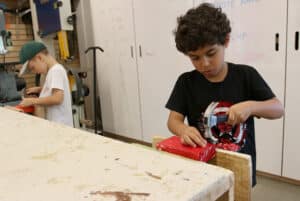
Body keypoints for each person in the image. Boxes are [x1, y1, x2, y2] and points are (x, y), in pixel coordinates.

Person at [166, 3, 284, 186]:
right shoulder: (186, 82)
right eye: (194, 58)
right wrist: (183, 130)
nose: (204, 64)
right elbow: (173, 120)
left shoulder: (246, 75)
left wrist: (252, 106)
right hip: (202, 166)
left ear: (226, 41)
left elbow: (278, 109)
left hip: (238, 168)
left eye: (211, 53)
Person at [18, 41, 74, 127]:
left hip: (61, 128)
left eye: (33, 68)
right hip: (58, 127)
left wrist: (32, 101)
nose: (34, 72)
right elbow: (54, 90)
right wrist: (40, 89)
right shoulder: (52, 71)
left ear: (40, 58)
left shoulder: (56, 71)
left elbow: (57, 98)